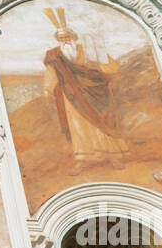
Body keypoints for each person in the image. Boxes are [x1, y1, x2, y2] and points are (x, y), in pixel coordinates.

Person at [41, 13, 128, 164]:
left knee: (101, 122)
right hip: (71, 95)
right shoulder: (54, 54)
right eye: (61, 38)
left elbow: (110, 65)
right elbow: (51, 73)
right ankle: (83, 159)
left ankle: (112, 156)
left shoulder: (87, 48)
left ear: (73, 37)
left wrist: (97, 68)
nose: (65, 40)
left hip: (94, 92)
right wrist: (47, 89)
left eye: (67, 37)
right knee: (78, 126)